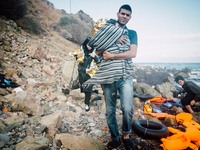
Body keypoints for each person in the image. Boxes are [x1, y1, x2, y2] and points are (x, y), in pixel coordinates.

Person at [83, 4, 138, 150]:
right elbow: (98, 51)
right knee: (109, 110)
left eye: (127, 15)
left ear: (130, 17)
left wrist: (113, 55)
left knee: (127, 108)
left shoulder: (131, 33)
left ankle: (126, 135)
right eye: (123, 14)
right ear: (118, 13)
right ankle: (115, 137)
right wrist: (113, 38)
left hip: (125, 75)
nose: (124, 17)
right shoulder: (106, 29)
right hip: (108, 75)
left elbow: (132, 53)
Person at [76, 38, 99, 112]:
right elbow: (77, 59)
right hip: (81, 71)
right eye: (88, 45)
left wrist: (94, 57)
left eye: (91, 45)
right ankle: (82, 94)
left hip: (90, 72)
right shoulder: (82, 49)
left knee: (88, 88)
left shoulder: (95, 51)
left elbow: (99, 61)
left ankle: (87, 104)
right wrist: (77, 56)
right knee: (82, 84)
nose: (89, 47)